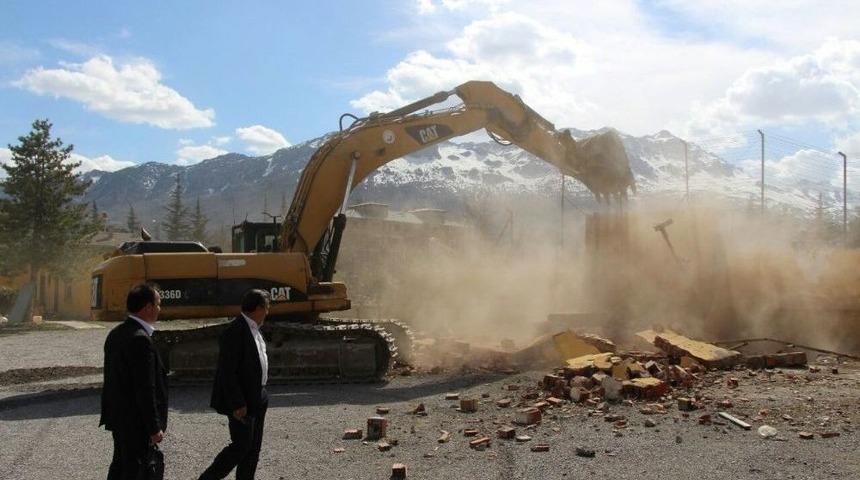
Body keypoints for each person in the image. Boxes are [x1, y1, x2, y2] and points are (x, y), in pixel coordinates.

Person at [199, 289, 270, 480]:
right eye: (266, 308)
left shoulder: (255, 329)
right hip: (243, 400)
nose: (268, 313)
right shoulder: (234, 331)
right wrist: (237, 403)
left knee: (253, 448)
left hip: (258, 395)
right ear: (258, 308)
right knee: (241, 445)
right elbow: (227, 372)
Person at [100, 284, 168, 480]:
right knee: (135, 469)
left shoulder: (117, 333)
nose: (159, 309)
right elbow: (145, 387)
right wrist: (154, 427)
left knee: (121, 465)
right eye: (158, 304)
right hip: (136, 421)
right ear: (148, 307)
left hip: (120, 417)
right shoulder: (140, 339)